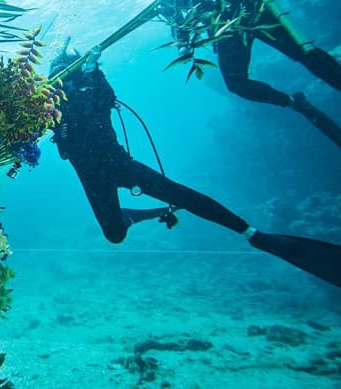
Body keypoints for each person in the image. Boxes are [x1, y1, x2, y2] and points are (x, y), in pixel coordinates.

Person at [50, 43, 341, 287]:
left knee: (182, 194)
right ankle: (150, 213)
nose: (63, 80)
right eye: (58, 76)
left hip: (120, 165)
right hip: (92, 178)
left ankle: (253, 234)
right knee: (114, 234)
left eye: (66, 72)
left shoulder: (91, 88)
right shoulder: (50, 104)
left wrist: (95, 71)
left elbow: (107, 100)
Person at [145, 0, 341, 146]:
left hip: (254, 16)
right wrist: (183, 45)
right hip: (228, 34)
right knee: (237, 84)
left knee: (304, 54)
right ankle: (295, 104)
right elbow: (178, 27)